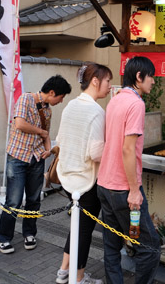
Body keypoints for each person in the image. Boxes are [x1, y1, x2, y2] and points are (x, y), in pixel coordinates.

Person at [97, 56, 160, 284]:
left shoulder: (115, 100)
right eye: (151, 76)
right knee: (150, 248)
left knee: (111, 246)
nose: (154, 81)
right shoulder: (136, 103)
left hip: (104, 184)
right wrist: (134, 190)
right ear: (139, 77)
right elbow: (127, 149)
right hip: (124, 190)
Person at [0, 75, 71, 254]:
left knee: (33, 200)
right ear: (52, 92)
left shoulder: (48, 110)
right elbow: (20, 124)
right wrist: (42, 133)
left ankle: (29, 233)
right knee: (13, 201)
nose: (60, 102)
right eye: (60, 98)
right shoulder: (26, 99)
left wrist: (47, 150)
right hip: (18, 157)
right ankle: (3, 238)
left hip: (36, 158)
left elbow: (46, 135)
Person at [55, 64, 112, 284]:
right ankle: (77, 278)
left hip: (68, 178)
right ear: (96, 81)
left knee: (76, 226)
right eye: (107, 81)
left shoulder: (70, 106)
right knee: (84, 230)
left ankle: (63, 270)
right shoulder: (96, 111)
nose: (109, 87)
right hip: (88, 181)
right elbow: (96, 153)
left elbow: (60, 140)